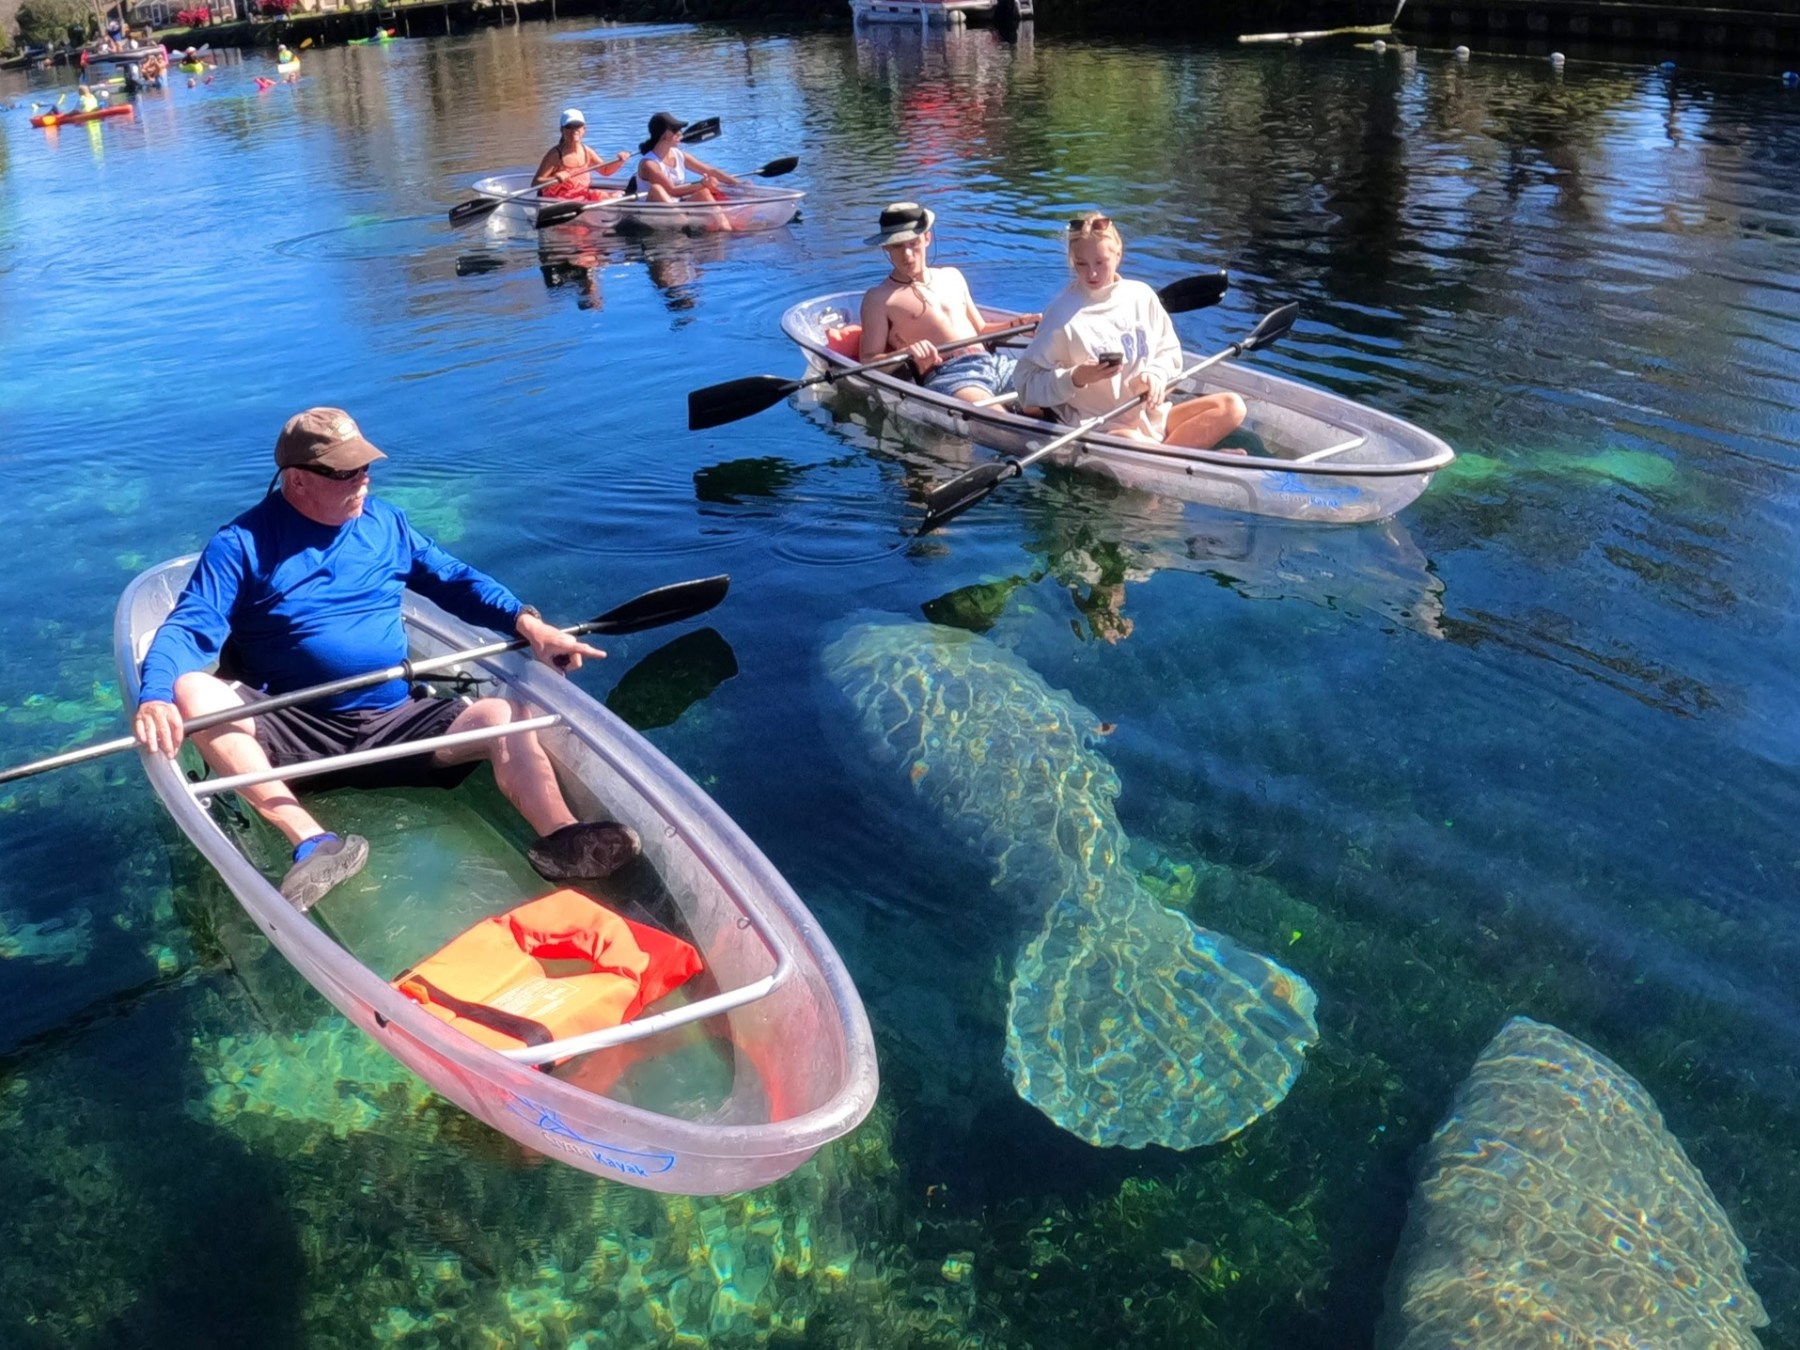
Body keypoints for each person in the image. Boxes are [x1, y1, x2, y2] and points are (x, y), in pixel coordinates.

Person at [132, 408, 641, 912]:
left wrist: (529, 625)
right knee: (191, 690)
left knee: (502, 715)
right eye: (343, 472)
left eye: (365, 467)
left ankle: (564, 838)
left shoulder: (386, 523)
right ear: (296, 481)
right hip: (293, 726)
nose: (362, 481)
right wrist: (154, 695)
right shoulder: (240, 545)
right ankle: (313, 843)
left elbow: (455, 580)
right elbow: (189, 627)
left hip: (395, 720)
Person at [1015, 212, 1247, 450]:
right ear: (1072, 260)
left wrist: (1157, 373)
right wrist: (1076, 377)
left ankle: (1171, 457)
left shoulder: (1142, 295)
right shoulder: (1062, 315)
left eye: (1100, 262)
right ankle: (1195, 459)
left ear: (1118, 254)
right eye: (1081, 264)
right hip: (1100, 427)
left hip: (1149, 417)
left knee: (1232, 405)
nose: (1091, 273)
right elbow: (1025, 385)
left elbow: (1169, 352)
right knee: (1129, 440)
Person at [857, 201, 1037, 405]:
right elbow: (867, 361)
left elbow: (982, 330)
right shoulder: (879, 298)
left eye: (913, 243)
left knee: (1053, 388)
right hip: (950, 373)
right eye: (897, 246)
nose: (907, 254)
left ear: (926, 238)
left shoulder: (953, 276)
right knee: (991, 413)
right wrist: (906, 353)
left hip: (992, 362)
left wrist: (1019, 324)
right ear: (886, 247)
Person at [632, 111, 737, 206]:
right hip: (654, 206)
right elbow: (672, 190)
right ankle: (684, 222)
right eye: (675, 130)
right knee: (657, 189)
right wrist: (702, 185)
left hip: (675, 204)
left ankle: (724, 225)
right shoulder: (649, 164)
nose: (680, 133)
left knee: (705, 193)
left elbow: (710, 171)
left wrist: (737, 183)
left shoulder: (680, 155)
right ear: (663, 134)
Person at [532, 109, 631, 202]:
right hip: (558, 201)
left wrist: (620, 161)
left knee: (615, 196)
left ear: (584, 129)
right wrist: (555, 179)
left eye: (577, 126)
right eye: (569, 126)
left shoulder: (587, 151)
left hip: (582, 197)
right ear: (562, 130)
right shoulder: (555, 155)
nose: (574, 130)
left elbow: (605, 171)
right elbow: (535, 183)